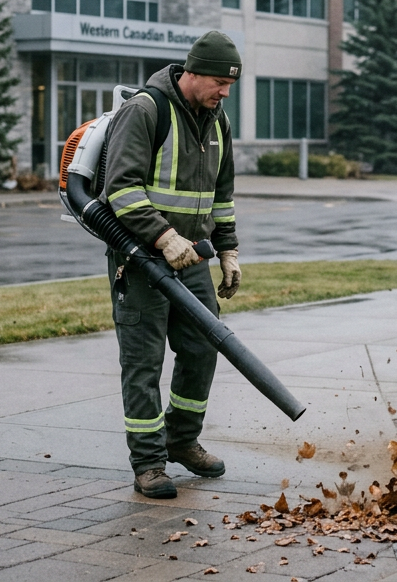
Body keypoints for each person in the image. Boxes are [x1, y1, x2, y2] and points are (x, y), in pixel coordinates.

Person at [100, 31, 242, 499]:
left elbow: (221, 197)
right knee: (143, 361)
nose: (225, 92)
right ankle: (149, 464)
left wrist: (228, 251)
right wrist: (164, 236)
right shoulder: (146, 111)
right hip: (141, 260)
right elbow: (120, 190)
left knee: (203, 347)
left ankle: (182, 441)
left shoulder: (216, 121)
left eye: (230, 86)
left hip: (192, 259)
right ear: (193, 71)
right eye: (219, 82)